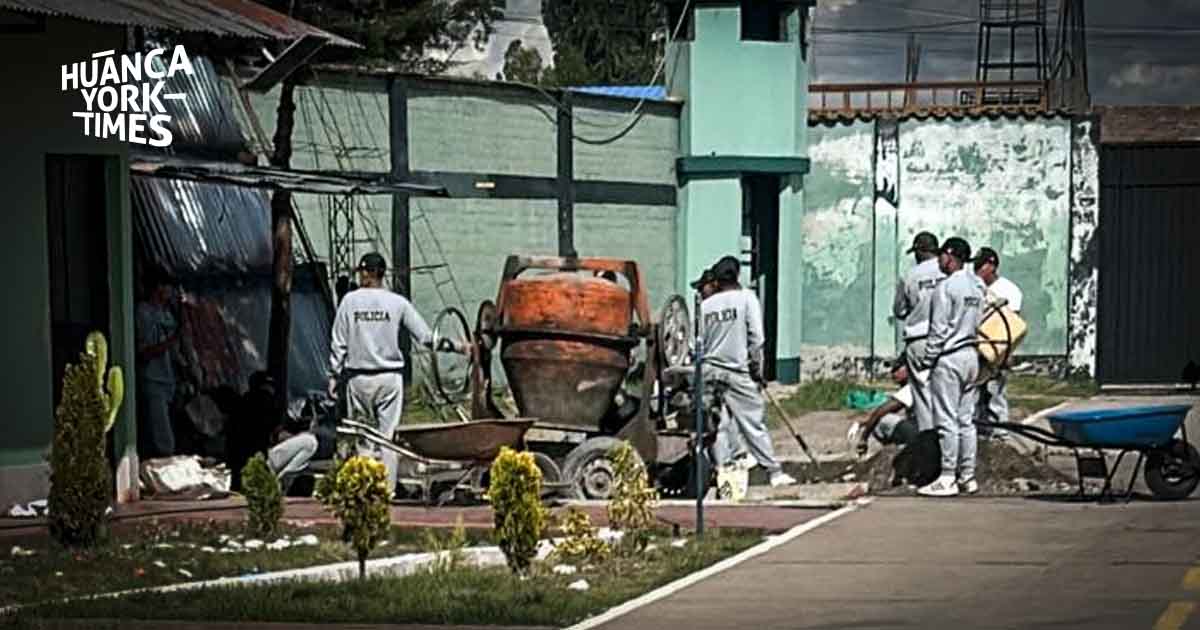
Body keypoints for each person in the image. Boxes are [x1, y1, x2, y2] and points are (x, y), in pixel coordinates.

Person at [329, 252, 462, 499]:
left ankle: (364, 491)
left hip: (359, 379)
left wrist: (333, 376)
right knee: (387, 439)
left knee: (363, 438)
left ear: (366, 273)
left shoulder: (349, 301)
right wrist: (459, 347)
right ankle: (386, 493)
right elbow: (426, 337)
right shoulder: (397, 303)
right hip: (390, 378)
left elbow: (339, 342)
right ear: (382, 273)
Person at [699, 256, 796, 488]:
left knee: (717, 423)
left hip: (709, 371)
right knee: (753, 421)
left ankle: (724, 470)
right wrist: (757, 369)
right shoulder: (746, 298)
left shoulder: (706, 306)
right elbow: (757, 338)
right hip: (736, 371)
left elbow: (699, 342)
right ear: (737, 275)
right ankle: (774, 472)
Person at [914, 237, 987, 498]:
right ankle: (968, 476)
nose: (939, 262)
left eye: (942, 256)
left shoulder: (945, 288)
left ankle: (947, 476)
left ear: (949, 256)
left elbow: (938, 330)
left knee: (946, 419)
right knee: (966, 420)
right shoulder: (977, 286)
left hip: (950, 357)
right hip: (972, 355)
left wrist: (928, 360)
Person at [892, 231, 946, 437]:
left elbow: (899, 310)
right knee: (948, 393)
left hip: (920, 340)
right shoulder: (951, 272)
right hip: (949, 340)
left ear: (919, 251)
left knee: (923, 395)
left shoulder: (910, 275)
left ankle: (928, 442)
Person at [973, 247, 1023, 439]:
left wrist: (1007, 353)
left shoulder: (1008, 290)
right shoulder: (975, 287)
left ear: (992, 265)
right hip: (978, 347)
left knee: (995, 393)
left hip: (998, 347)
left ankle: (1001, 434)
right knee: (976, 394)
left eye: (981, 266)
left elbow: (1012, 324)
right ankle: (981, 433)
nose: (977, 271)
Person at [136, 275, 181, 459]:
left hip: (169, 380)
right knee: (163, 437)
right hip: (153, 379)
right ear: (158, 288)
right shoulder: (144, 313)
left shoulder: (168, 315)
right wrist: (172, 340)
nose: (170, 292)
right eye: (167, 287)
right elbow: (145, 352)